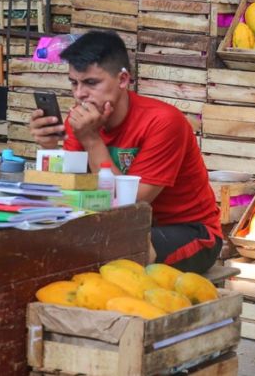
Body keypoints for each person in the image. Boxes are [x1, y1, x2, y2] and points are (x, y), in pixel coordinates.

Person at [29, 31, 222, 274]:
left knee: (120, 248)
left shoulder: (163, 122)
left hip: (189, 231)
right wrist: (49, 149)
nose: (79, 94)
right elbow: (72, 190)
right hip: (117, 226)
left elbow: (128, 204)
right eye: (74, 83)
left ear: (122, 79)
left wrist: (91, 140)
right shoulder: (79, 121)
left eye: (91, 83)